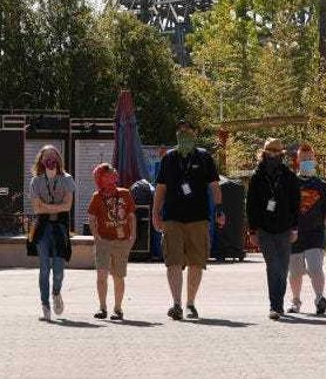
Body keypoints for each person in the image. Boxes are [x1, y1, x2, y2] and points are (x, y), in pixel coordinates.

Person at [153, 120, 225, 320]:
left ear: (195, 134)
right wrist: (155, 212)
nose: (183, 133)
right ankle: (176, 304)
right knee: (172, 261)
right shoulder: (168, 158)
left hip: (198, 218)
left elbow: (214, 186)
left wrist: (219, 210)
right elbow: (161, 188)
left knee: (196, 261)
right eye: (180, 130)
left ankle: (190, 303)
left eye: (188, 130)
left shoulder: (204, 157)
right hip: (172, 218)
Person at [245, 138, 301, 320]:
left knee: (283, 268)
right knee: (273, 265)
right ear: (264, 154)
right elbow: (250, 205)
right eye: (270, 153)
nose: (273, 156)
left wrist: (295, 227)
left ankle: (279, 302)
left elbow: (296, 203)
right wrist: (252, 230)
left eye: (277, 153)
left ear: (281, 155)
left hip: (285, 228)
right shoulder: (257, 176)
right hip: (265, 229)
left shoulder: (288, 176)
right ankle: (274, 305)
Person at [288, 143, 326, 315]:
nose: (307, 162)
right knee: (295, 271)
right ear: (297, 161)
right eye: (303, 159)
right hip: (294, 234)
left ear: (315, 161)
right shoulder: (291, 183)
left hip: (315, 233)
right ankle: (295, 302)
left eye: (309, 159)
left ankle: (319, 299)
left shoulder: (321, 185)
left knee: (315, 268)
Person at [27, 144, 75, 321]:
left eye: (53, 156)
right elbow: (36, 208)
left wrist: (46, 206)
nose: (50, 160)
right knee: (44, 267)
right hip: (42, 229)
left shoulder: (67, 179)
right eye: (46, 156)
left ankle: (56, 293)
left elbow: (68, 206)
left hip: (60, 228)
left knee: (59, 269)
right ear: (41, 160)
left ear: (58, 159)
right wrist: (55, 207)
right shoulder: (36, 181)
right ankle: (45, 305)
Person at [87, 163, 136, 320]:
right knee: (102, 274)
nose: (112, 175)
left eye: (112, 172)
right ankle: (102, 307)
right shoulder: (97, 196)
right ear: (100, 178)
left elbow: (131, 216)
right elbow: (92, 218)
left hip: (121, 240)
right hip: (104, 240)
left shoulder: (125, 193)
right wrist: (96, 236)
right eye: (107, 173)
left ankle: (118, 308)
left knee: (118, 276)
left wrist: (132, 235)